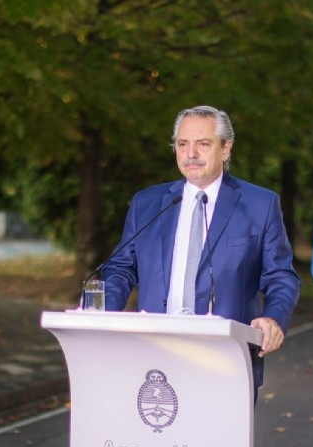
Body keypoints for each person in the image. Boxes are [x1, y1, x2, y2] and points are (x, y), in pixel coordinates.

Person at [101, 105, 300, 391]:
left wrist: (273, 319)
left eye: (203, 144)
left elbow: (281, 276)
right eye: (183, 144)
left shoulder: (259, 205)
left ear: (226, 148)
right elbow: (120, 268)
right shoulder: (147, 204)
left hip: (225, 359)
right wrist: (103, 315)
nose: (191, 154)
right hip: (153, 357)